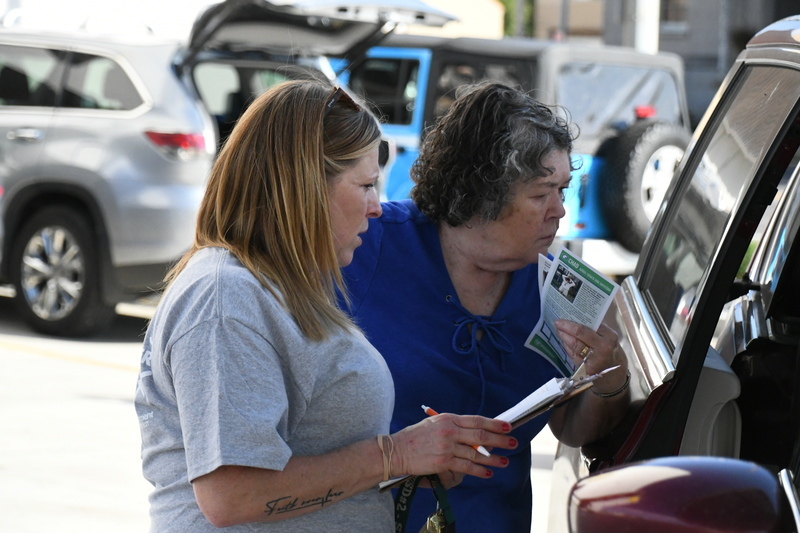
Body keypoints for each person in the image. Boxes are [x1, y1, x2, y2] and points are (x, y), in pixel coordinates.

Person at [134, 79, 518, 532]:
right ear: (305, 187)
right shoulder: (225, 298)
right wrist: (395, 454)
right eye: (366, 185)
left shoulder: (280, 287)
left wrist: (413, 461)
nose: (377, 208)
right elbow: (232, 494)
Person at [341, 82, 630, 532]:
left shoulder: (558, 289)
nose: (560, 210)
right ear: (480, 193)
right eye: (542, 193)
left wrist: (608, 380)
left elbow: (572, 430)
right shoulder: (366, 245)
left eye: (563, 189)